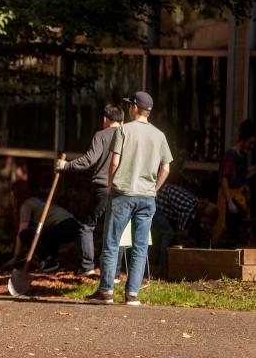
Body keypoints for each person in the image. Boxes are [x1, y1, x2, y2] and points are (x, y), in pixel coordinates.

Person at [87, 91, 172, 306]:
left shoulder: (124, 130)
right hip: (147, 197)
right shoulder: (160, 135)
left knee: (111, 243)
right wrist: (155, 188)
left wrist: (109, 185)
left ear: (134, 107)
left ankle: (106, 291)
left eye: (129, 106)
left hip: (123, 194)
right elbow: (166, 168)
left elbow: (114, 162)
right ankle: (132, 294)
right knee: (140, 246)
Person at [55, 104, 124, 276]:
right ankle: (114, 274)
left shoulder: (101, 135)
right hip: (122, 189)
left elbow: (89, 160)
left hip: (102, 187)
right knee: (117, 230)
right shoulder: (127, 135)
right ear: (122, 120)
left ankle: (87, 267)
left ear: (105, 119)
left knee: (86, 225)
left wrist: (66, 165)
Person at [153, 183, 218, 267]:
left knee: (168, 232)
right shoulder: (188, 212)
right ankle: (162, 266)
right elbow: (180, 236)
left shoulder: (197, 202)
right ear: (203, 215)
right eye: (207, 222)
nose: (206, 224)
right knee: (168, 233)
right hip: (156, 202)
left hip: (164, 193)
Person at [215, 119, 256, 246]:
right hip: (230, 198)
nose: (251, 146)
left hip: (239, 197)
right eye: (251, 142)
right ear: (244, 139)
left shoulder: (243, 155)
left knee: (242, 231)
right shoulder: (230, 155)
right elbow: (224, 179)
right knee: (230, 231)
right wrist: (230, 202)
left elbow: (242, 176)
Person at [15, 197, 81, 273]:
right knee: (46, 234)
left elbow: (22, 230)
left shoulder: (26, 205)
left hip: (63, 226)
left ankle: (49, 261)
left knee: (24, 234)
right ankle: (56, 262)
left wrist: (16, 256)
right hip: (74, 226)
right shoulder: (43, 200)